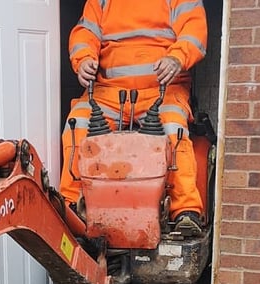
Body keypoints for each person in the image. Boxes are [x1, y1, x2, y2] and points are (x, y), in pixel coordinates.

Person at [59, 0, 208, 236]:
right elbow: (85, 33)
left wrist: (177, 58)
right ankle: (71, 204)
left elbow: (194, 31)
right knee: (78, 123)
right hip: (108, 90)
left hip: (162, 89)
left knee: (172, 128)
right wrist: (84, 59)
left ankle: (185, 211)